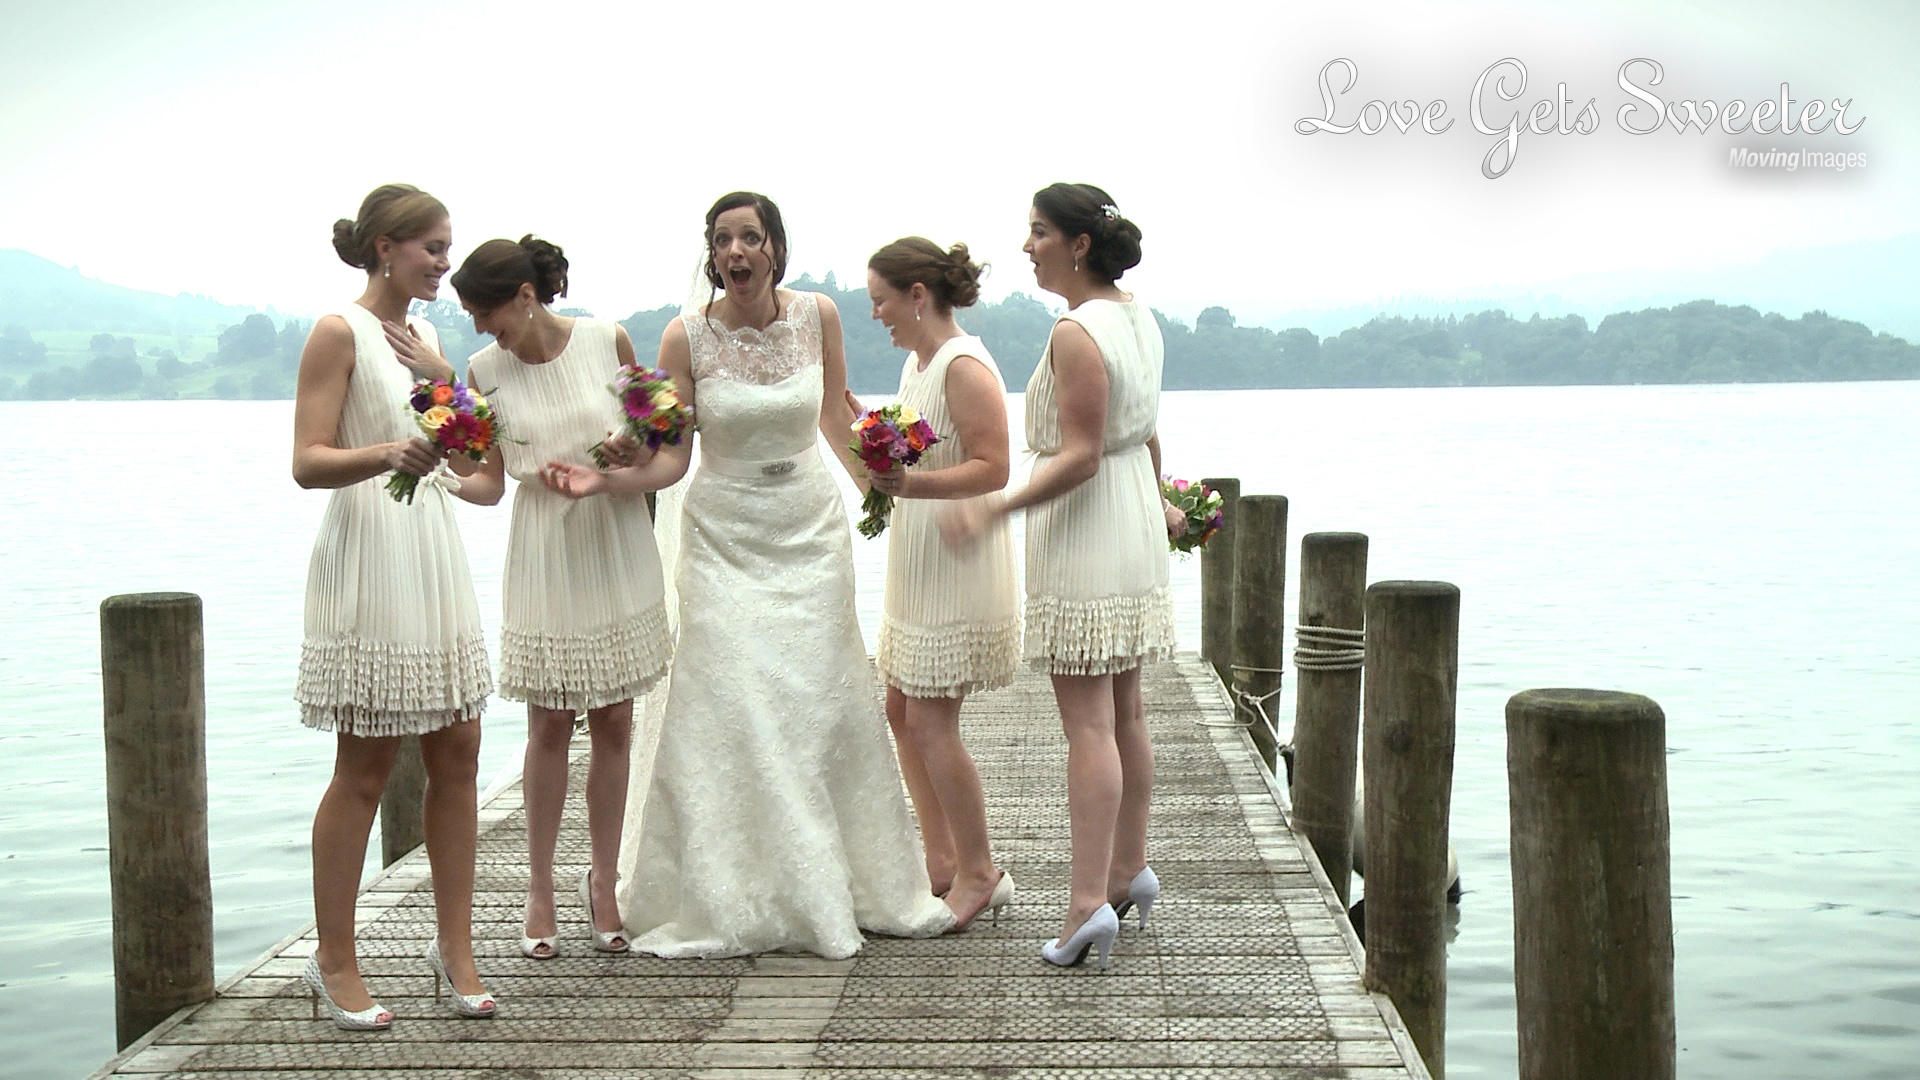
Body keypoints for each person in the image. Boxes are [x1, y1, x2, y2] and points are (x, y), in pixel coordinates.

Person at [601, 191, 954, 958]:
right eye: (723, 239)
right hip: (722, 533)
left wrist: (884, 490)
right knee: (735, 701)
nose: (737, 252)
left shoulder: (817, 316)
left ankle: (841, 879)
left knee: (815, 699)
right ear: (712, 253)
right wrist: (614, 478)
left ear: (774, 247)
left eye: (750, 238)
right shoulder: (683, 336)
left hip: (808, 529)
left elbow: (833, 416)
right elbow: (673, 454)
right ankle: (734, 888)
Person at [944, 183, 1176, 971]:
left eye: (1038, 232)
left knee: (1091, 726)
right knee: (1126, 712)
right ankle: (1124, 869)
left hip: (1089, 530)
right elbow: (1143, 435)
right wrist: (1166, 508)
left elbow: (1079, 457)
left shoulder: (1077, 333)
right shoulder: (1137, 315)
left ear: (1079, 244)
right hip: (1132, 521)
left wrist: (994, 511)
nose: (1026, 245)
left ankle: (1085, 908)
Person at [292, 183, 495, 1026]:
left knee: (460, 750)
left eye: (448, 248)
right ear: (385, 246)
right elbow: (307, 461)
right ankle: (334, 958)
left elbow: (476, 463)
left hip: (432, 545)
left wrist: (453, 390)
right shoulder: (338, 331)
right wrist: (384, 452)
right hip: (371, 549)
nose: (445, 262)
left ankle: (455, 951)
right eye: (432, 247)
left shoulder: (429, 337)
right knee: (365, 764)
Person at [447, 236, 672, 960]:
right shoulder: (481, 372)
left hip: (613, 536)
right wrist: (437, 466)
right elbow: (486, 483)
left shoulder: (609, 340)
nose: (483, 329)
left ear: (524, 295)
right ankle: (539, 888)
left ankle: (603, 882)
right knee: (548, 722)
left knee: (613, 719)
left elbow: (660, 438)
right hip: (544, 546)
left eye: (487, 313)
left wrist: (627, 452)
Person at [851, 237, 1018, 928]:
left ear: (918, 296)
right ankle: (942, 859)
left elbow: (995, 466)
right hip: (921, 555)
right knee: (900, 709)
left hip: (957, 558)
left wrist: (911, 484)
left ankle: (980, 871)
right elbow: (925, 442)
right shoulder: (920, 364)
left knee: (929, 717)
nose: (876, 316)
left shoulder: (963, 365)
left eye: (881, 301)